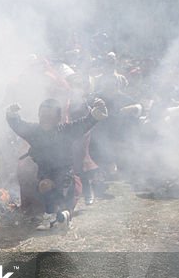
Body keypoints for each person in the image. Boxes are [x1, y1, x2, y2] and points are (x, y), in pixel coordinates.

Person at [6, 97, 107, 230]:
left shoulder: (67, 130)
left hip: (66, 178)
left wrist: (97, 112)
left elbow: (85, 123)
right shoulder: (34, 132)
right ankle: (56, 217)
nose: (45, 119)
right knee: (45, 186)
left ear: (58, 118)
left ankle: (58, 217)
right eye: (43, 115)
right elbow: (18, 125)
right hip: (45, 176)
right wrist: (12, 114)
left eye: (50, 116)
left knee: (56, 195)